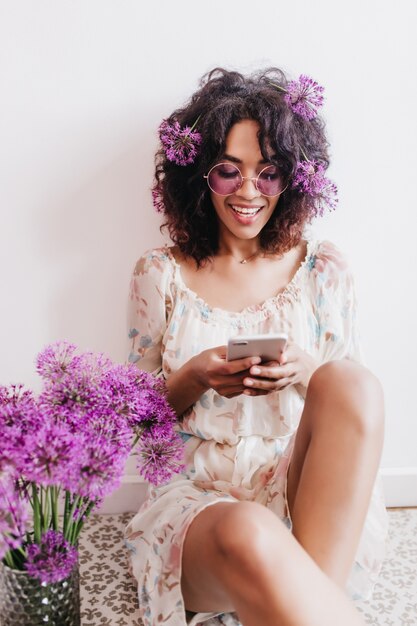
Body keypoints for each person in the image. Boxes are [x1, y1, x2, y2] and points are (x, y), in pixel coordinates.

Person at [125, 68, 388, 626]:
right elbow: (132, 422)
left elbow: (355, 423)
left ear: (292, 180)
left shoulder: (324, 268)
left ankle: (298, 600)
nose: (249, 191)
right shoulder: (159, 274)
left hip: (303, 496)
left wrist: (304, 370)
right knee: (252, 529)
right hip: (203, 509)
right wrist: (195, 375)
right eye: (228, 171)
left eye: (268, 174)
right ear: (199, 176)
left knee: (349, 382)